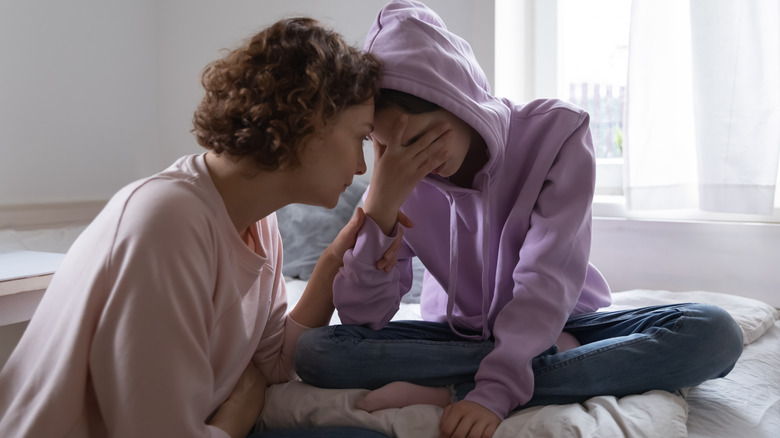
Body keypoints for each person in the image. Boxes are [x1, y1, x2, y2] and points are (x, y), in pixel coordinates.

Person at [293, 1, 745, 438]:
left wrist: (492, 393)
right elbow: (361, 320)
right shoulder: (399, 176)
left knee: (714, 333)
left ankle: (454, 388)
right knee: (318, 353)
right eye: (387, 146)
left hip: (566, 320)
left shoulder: (558, 135)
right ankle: (547, 367)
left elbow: (545, 279)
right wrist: (381, 209)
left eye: (421, 140)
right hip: (460, 334)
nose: (414, 163)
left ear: (459, 101)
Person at [0, 17, 391, 438]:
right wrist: (236, 418)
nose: (360, 166)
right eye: (361, 138)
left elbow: (274, 364)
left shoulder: (260, 224)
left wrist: (334, 260)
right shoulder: (167, 221)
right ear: (310, 120)